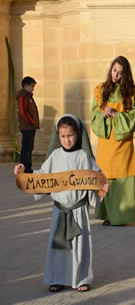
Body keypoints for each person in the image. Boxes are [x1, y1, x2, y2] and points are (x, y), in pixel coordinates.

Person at [14, 115, 109, 293]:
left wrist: (102, 186)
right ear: (58, 136)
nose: (67, 140)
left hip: (78, 211)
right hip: (59, 212)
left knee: (79, 248)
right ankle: (58, 278)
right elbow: (42, 177)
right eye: (63, 136)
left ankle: (81, 278)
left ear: (78, 135)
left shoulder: (83, 156)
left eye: (70, 135)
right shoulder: (55, 156)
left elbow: (97, 177)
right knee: (58, 248)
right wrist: (24, 173)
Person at [91, 56, 135, 226]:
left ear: (125, 75)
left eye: (120, 73)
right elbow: (93, 116)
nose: (115, 75)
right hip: (106, 142)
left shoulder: (131, 93)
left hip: (123, 143)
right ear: (110, 69)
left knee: (121, 178)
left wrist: (116, 115)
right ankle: (107, 215)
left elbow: (134, 119)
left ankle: (121, 217)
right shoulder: (100, 91)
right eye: (114, 71)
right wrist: (102, 114)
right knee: (106, 177)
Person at [16, 76, 39, 173]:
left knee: (29, 148)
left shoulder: (28, 96)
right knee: (26, 148)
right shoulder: (23, 97)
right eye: (32, 86)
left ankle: (28, 168)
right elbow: (23, 112)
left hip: (30, 127)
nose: (33, 88)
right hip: (27, 127)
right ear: (25, 86)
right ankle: (24, 168)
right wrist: (32, 122)